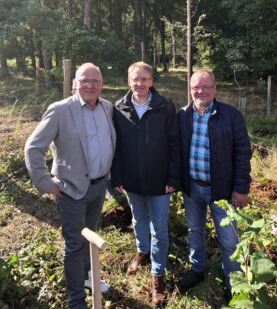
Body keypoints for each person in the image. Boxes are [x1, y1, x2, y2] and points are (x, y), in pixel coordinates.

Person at [24, 63, 116, 309]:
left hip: (98, 187)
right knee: (75, 243)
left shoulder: (107, 107)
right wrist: (44, 182)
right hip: (71, 189)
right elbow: (33, 148)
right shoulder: (60, 110)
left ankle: (88, 277)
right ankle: (76, 301)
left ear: (101, 84)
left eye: (95, 81)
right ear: (75, 83)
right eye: (84, 80)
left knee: (90, 236)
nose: (90, 85)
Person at [111, 61, 181, 307]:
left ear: (151, 81)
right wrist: (117, 177)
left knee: (159, 228)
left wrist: (174, 178)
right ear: (128, 81)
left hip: (160, 181)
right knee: (139, 220)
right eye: (135, 79)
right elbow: (117, 146)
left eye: (144, 79)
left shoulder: (164, 106)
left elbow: (175, 144)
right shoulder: (119, 108)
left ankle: (157, 274)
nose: (139, 84)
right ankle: (142, 252)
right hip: (132, 180)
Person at [177, 69, 252, 295]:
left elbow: (242, 153)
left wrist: (241, 188)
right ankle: (197, 268)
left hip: (222, 190)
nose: (201, 91)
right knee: (194, 231)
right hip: (192, 188)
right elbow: (174, 150)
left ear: (215, 89)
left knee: (229, 239)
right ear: (190, 90)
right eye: (196, 87)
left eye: (206, 87)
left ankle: (234, 283)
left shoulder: (230, 116)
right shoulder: (182, 115)